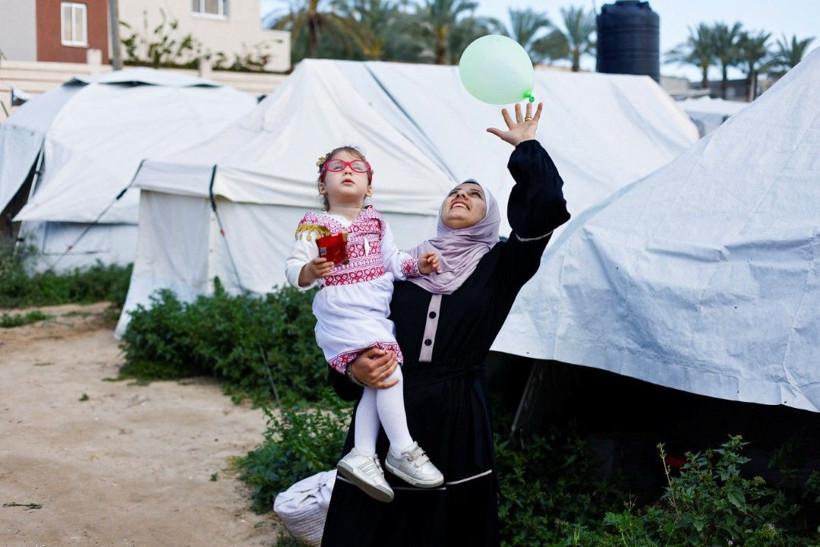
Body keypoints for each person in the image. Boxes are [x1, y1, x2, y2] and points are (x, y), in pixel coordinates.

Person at [321, 101, 571, 546]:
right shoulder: (402, 264)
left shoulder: (501, 266)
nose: (461, 196)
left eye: (475, 195)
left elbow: (545, 208)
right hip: (390, 405)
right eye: (455, 191)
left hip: (458, 417)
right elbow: (351, 320)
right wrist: (352, 370)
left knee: (446, 528)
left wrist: (527, 150)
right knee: (370, 526)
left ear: (489, 215)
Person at [285, 145, 445, 504]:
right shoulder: (316, 224)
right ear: (323, 185)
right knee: (390, 369)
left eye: (357, 167)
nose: (347, 171)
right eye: (337, 166)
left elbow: (393, 261)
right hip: (343, 311)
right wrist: (309, 270)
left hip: (373, 312)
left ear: (369, 187)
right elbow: (293, 267)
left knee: (377, 379)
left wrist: (418, 265)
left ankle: (363, 453)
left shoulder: (376, 222)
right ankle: (402, 448)